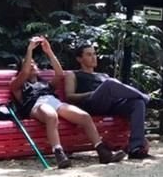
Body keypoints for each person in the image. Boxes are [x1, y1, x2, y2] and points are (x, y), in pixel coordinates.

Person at [10, 36, 126, 167]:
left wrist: (49, 51)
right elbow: (24, 72)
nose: (32, 65)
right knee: (51, 116)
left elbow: (60, 74)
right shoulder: (18, 85)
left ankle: (102, 151)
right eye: (28, 63)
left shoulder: (44, 84)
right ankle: (59, 153)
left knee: (84, 117)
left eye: (33, 63)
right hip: (36, 105)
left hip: (53, 102)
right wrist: (30, 49)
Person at [63, 42, 163, 159]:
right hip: (91, 105)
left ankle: (136, 148)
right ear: (79, 59)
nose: (94, 57)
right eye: (89, 55)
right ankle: (148, 100)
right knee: (110, 84)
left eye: (94, 54)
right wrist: (91, 94)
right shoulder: (73, 74)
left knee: (137, 103)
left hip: (111, 104)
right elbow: (70, 96)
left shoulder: (103, 75)